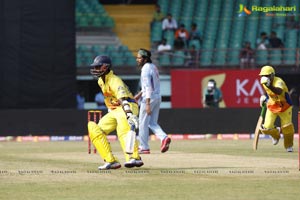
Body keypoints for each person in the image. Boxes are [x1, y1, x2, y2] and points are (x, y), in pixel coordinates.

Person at [88, 55, 143, 170]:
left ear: (105, 67)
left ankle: (134, 157)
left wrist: (129, 114)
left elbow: (123, 98)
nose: (95, 69)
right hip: (115, 110)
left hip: (127, 106)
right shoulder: (100, 81)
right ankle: (110, 161)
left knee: (123, 129)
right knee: (94, 129)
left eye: (98, 67)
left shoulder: (115, 80)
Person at [134, 48, 171, 154]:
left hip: (149, 99)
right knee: (152, 122)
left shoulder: (145, 69)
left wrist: (147, 104)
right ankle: (164, 138)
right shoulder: (153, 67)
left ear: (145, 59)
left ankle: (144, 147)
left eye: (139, 58)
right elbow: (149, 85)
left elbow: (148, 87)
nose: (137, 59)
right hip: (157, 97)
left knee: (142, 123)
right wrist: (139, 95)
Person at [259, 65, 295, 152]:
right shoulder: (265, 82)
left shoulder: (279, 81)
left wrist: (269, 85)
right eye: (263, 76)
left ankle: (288, 146)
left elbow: (278, 91)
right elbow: (268, 92)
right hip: (272, 106)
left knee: (287, 128)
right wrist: (264, 97)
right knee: (265, 128)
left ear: (272, 75)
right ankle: (276, 135)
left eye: (267, 75)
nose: (265, 77)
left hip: (285, 106)